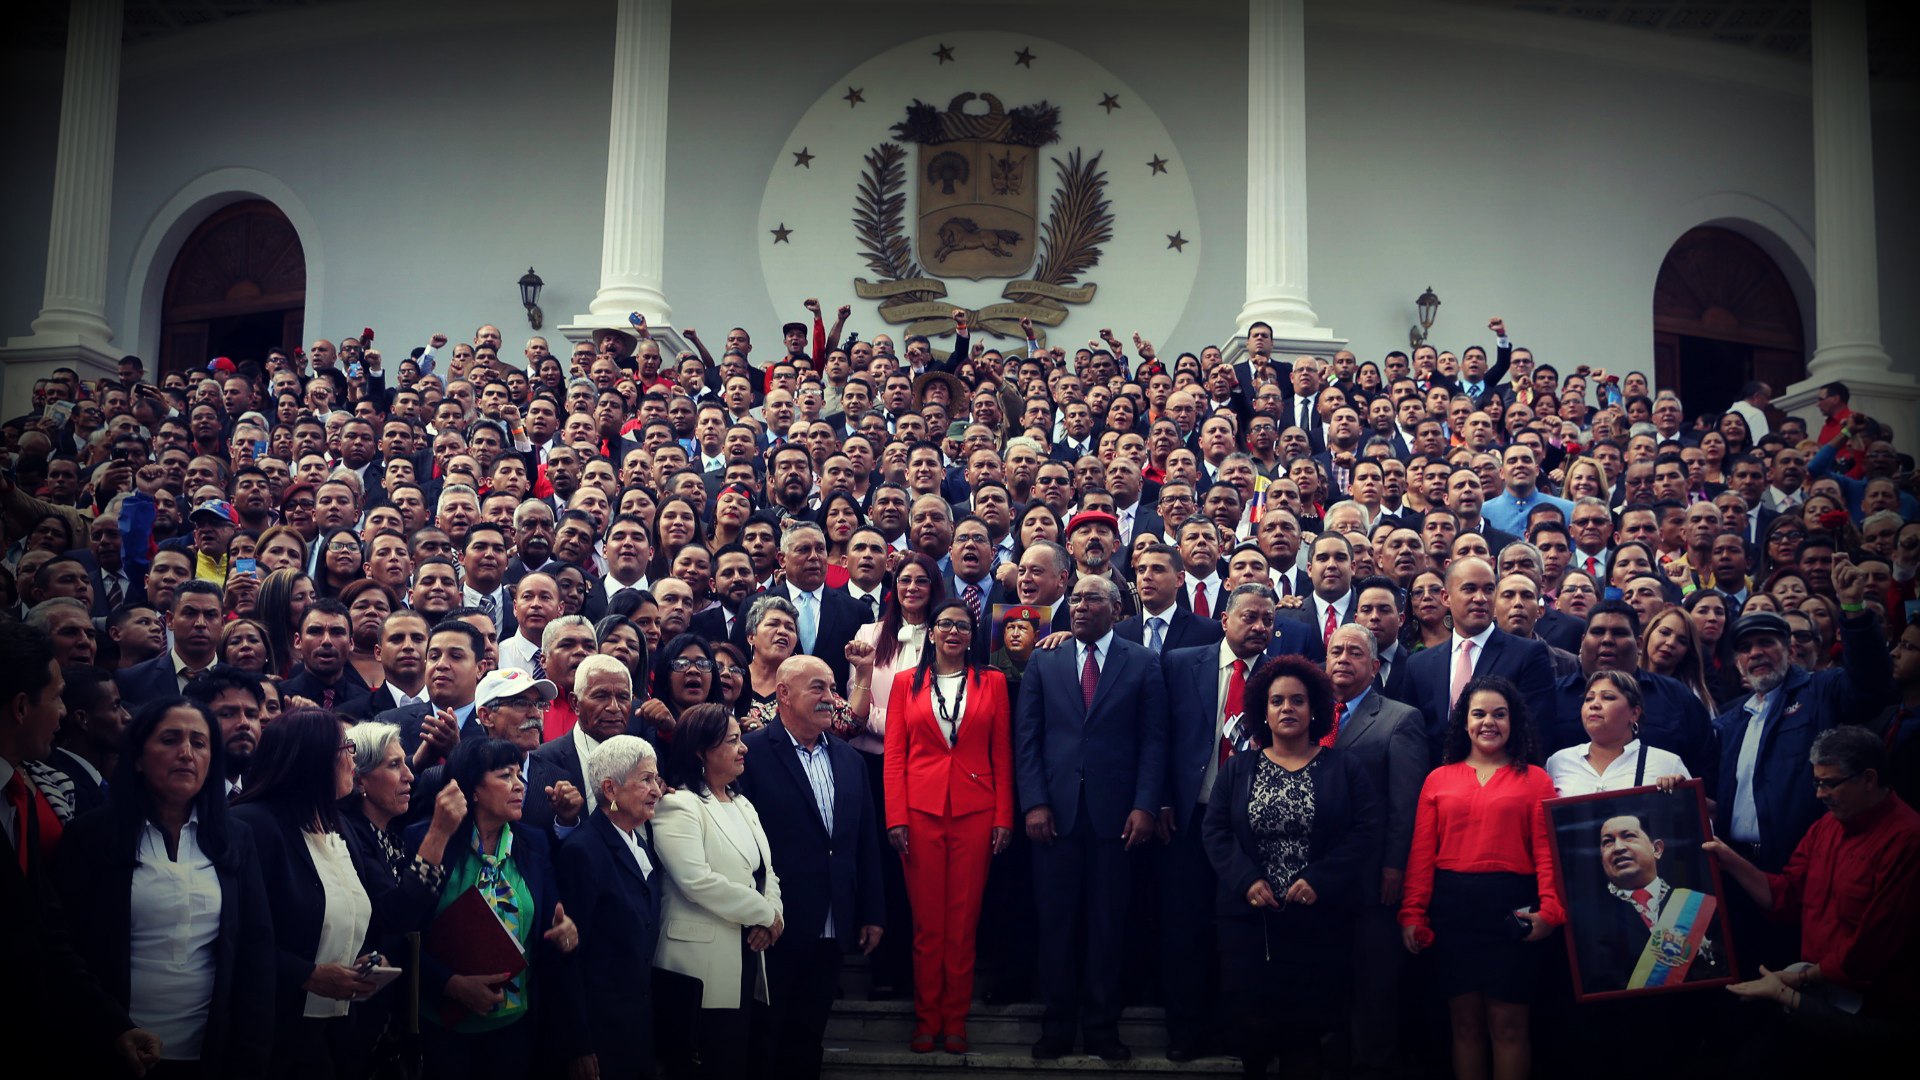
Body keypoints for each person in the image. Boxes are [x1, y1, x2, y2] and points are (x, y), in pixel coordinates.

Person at [53, 696, 276, 1078]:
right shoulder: (91, 836)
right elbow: (64, 947)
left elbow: (255, 950)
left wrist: (251, 1054)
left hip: (209, 1053)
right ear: (138, 757)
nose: (186, 753)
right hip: (114, 1048)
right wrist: (112, 1027)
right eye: (170, 740)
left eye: (199, 743)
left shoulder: (236, 838)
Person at [230, 707, 437, 1079]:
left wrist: (358, 960)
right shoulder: (254, 825)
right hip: (272, 1033)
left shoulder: (335, 828)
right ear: (313, 759)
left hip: (335, 1034)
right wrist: (306, 974)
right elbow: (236, 933)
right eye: (346, 750)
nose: (353, 763)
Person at [1202, 654, 1381, 1079]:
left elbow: (1365, 830)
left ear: (1314, 707)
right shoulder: (1239, 768)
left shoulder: (1344, 767)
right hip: (1249, 923)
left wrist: (1320, 879)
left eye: (1298, 701)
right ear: (1262, 710)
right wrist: (1246, 881)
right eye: (1277, 701)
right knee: (1253, 1030)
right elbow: (1216, 832)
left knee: (1309, 1036)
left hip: (1320, 921)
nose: (1287, 709)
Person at [1015, 573, 1166, 1062]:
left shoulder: (1142, 662)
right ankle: (1057, 1026)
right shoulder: (1045, 658)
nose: (1079, 606)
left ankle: (1102, 1028)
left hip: (1116, 818)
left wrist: (1145, 805)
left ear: (1116, 607)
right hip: (1054, 815)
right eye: (1075, 598)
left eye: (1091, 598)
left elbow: (1153, 741)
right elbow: (1028, 739)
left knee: (1108, 926)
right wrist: (1034, 801)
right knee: (1054, 924)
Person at [1707, 726, 1920, 1069]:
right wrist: (1729, 861)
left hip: (1872, 1014)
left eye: (1830, 783)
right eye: (1816, 782)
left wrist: (1796, 982)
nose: (1820, 794)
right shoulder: (1827, 827)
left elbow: (1872, 949)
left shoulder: (1907, 840)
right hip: (1816, 995)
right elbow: (1786, 896)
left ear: (1869, 778)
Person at [1714, 562, 1891, 972]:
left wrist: (1854, 612)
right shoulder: (1729, 720)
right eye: (1745, 648)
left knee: (1801, 978)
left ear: (1789, 648)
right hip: (1739, 872)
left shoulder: (1821, 690)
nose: (1756, 653)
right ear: (1737, 662)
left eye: (1766, 642)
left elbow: (1873, 688)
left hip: (1805, 871)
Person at [1400, 676, 1563, 1080]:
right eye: (1479, 714)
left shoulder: (1537, 780)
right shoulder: (1438, 779)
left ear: (1514, 722)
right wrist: (1412, 913)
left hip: (1513, 909)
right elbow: (1422, 855)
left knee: (1509, 1025)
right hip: (1453, 911)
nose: (1489, 722)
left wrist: (1552, 911)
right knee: (1465, 1026)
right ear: (1464, 722)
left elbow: (1548, 854)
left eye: (1499, 714)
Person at [735, 655, 886, 1075]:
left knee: (809, 1038)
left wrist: (872, 911)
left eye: (832, 687)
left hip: (833, 924)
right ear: (783, 693)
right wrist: (755, 912)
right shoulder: (753, 754)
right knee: (766, 1039)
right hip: (775, 925)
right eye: (817, 687)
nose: (829, 697)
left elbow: (864, 842)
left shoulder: (850, 759)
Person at [406, 736, 587, 1078]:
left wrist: (565, 934)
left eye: (520, 775)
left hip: (516, 1029)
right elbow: (404, 933)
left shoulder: (533, 841)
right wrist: (451, 984)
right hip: (443, 1030)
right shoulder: (425, 839)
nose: (520, 786)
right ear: (472, 789)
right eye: (506, 776)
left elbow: (552, 921)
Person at [879, 601, 1013, 1053]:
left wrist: (1003, 817)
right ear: (931, 632)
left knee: (963, 921)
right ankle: (926, 1019)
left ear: (972, 634)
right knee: (927, 925)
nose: (953, 632)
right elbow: (894, 756)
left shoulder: (992, 682)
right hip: (919, 812)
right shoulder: (904, 684)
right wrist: (895, 815)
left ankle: (954, 1021)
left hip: (976, 811)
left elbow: (1002, 754)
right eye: (945, 625)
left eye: (962, 625)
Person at [1155, 581, 1276, 1061]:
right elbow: (1159, 735)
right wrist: (1161, 799)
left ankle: (1236, 1034)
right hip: (1188, 819)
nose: (1259, 627)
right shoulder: (1183, 663)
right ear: (1224, 620)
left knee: (1240, 933)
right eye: (1249, 617)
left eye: (1268, 620)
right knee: (1184, 929)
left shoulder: (1281, 677)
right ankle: (1186, 1033)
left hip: (1254, 830)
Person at [651, 703, 782, 1080]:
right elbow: (696, 881)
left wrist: (775, 915)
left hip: (746, 955)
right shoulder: (679, 805)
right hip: (697, 967)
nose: (744, 748)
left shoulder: (742, 803)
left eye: (741, 739)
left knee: (736, 1061)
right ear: (700, 752)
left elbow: (767, 871)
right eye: (732, 741)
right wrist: (765, 914)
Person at [1322, 623, 1428, 1079]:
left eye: (1354, 652)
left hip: (1372, 881)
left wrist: (1394, 867)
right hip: (1319, 880)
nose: (1343, 659)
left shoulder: (1400, 718)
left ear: (1375, 663)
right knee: (1327, 990)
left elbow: (1406, 804)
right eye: (1335, 651)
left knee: (1374, 989)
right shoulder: (1307, 715)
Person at [556, 734, 666, 1080]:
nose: (657, 790)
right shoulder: (583, 852)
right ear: (611, 789)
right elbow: (568, 958)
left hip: (638, 1026)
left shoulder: (641, 846)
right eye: (646, 779)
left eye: (656, 779)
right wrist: (579, 1044)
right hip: (601, 1034)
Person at [1575, 808, 1726, 995]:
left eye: (1628, 836)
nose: (1618, 847)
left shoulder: (1699, 906)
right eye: (1608, 842)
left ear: (1657, 849)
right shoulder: (1585, 915)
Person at [1546, 670, 1692, 795]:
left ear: (1634, 713)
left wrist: (1680, 797)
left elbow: (1700, 824)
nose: (1594, 705)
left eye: (1608, 697)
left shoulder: (1667, 763)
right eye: (1588, 698)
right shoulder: (1557, 762)